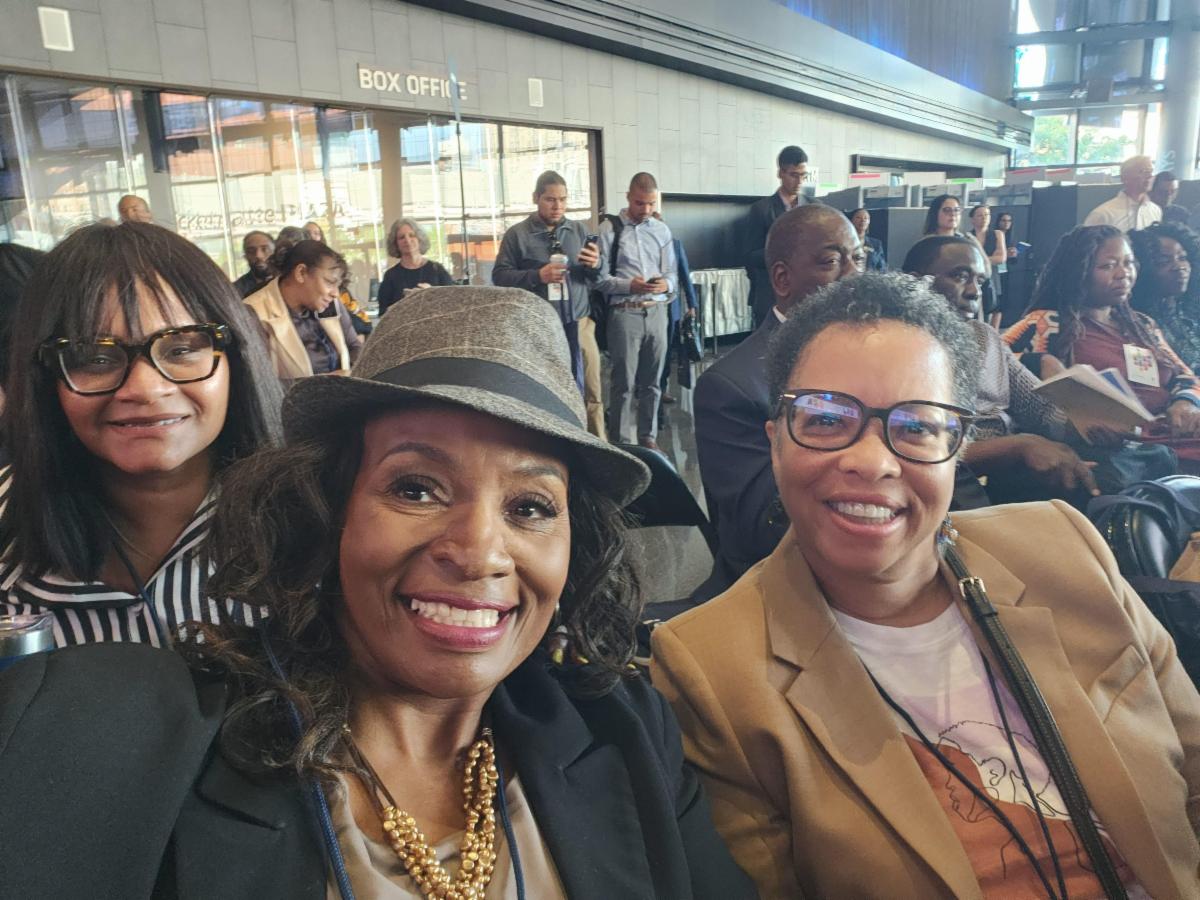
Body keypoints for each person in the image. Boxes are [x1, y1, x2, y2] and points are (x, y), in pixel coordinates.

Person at [0, 286, 757, 900]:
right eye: (416, 488)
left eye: (530, 507)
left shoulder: (627, 733)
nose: (478, 553)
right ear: (326, 512)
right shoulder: (147, 747)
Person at [652, 272, 1200, 898]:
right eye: (826, 419)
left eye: (916, 427)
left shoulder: (1064, 549)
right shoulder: (714, 670)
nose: (871, 461)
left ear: (958, 448)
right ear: (775, 443)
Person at [0, 222, 282, 645]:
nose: (146, 389)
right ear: (44, 380)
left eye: (181, 349)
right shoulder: (9, 531)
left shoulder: (319, 522)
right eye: (95, 358)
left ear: (236, 359)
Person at [693, 205, 861, 601]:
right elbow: (763, 528)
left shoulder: (878, 361)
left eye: (858, 257)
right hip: (782, 591)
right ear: (783, 279)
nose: (854, 274)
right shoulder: (732, 386)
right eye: (832, 262)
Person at [903, 235, 1098, 504]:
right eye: (960, 276)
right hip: (958, 478)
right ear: (916, 283)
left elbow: (1041, 409)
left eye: (980, 281)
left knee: (1097, 478)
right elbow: (918, 445)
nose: (974, 292)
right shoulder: (903, 348)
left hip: (1010, 469)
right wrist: (1017, 447)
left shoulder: (984, 336)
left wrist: (1090, 422)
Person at [1004, 224, 1200, 468]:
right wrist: (1040, 361)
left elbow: (1186, 376)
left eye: (1128, 263)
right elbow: (992, 359)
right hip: (1123, 450)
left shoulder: (1142, 324)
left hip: (1174, 435)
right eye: (1108, 266)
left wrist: (1185, 402)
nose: (1123, 273)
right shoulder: (1047, 322)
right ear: (1079, 272)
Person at [493, 170, 606, 439]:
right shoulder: (518, 235)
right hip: (539, 326)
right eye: (550, 199)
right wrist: (537, 276)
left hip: (579, 323)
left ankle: (599, 447)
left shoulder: (579, 231)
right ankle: (552, 446)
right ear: (536, 198)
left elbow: (596, 278)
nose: (558, 206)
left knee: (591, 389)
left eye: (563, 200)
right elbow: (500, 276)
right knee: (545, 390)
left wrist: (596, 265)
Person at [597, 173, 677, 451]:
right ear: (628, 197)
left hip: (656, 311)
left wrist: (666, 284)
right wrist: (629, 285)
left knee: (654, 382)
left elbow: (672, 273)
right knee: (623, 383)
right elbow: (599, 279)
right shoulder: (609, 229)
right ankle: (621, 443)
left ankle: (648, 436)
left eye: (651, 204)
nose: (646, 209)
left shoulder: (662, 230)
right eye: (640, 203)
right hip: (624, 312)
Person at [244, 239, 363, 381]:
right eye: (330, 282)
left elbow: (354, 346)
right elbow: (257, 383)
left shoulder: (330, 304)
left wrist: (350, 374)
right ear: (301, 273)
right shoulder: (253, 313)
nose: (335, 293)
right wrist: (323, 383)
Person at [745, 146, 809, 327]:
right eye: (794, 175)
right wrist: (783, 251)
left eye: (803, 175)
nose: (799, 181)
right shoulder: (761, 210)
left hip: (807, 296)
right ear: (780, 173)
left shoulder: (814, 208)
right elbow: (750, 256)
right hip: (770, 296)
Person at [1128, 221, 1200, 371]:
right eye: (1164, 262)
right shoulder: (1138, 324)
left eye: (1183, 258)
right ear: (1142, 270)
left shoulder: (1188, 310)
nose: (1179, 267)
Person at [376, 217, 454, 316]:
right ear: (395, 244)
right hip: (403, 325)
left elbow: (453, 305)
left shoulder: (438, 270)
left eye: (411, 235)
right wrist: (403, 305)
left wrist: (431, 294)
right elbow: (383, 314)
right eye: (401, 237)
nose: (407, 240)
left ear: (420, 239)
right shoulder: (391, 276)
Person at [1083, 155, 1161, 230]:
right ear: (1125, 178)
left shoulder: (1155, 210)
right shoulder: (1103, 214)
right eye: (1144, 171)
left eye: (1151, 171)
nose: (1150, 176)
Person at [968, 205, 1006, 326]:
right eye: (980, 215)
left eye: (987, 215)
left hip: (992, 277)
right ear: (972, 219)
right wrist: (990, 258)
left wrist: (979, 260)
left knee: (993, 308)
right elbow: (966, 260)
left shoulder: (997, 234)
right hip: (973, 279)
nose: (984, 218)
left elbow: (1001, 258)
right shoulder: (967, 237)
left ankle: (992, 335)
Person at [233, 230, 275, 298]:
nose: (258, 255)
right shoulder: (236, 291)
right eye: (251, 251)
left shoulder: (287, 282)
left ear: (275, 252)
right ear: (245, 256)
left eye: (265, 249)